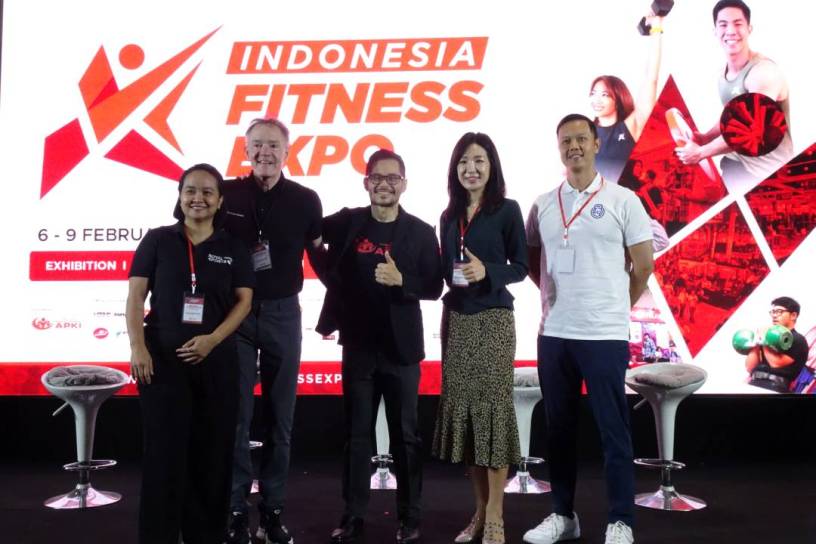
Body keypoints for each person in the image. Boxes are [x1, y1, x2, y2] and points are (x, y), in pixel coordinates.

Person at [524, 114, 654, 544]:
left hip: (603, 335)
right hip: (554, 334)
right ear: (558, 147)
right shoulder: (543, 204)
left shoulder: (623, 200)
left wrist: (615, 306)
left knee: (612, 430)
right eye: (566, 140)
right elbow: (534, 262)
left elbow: (643, 266)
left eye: (582, 138)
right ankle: (563, 515)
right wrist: (557, 298)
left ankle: (621, 520)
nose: (574, 146)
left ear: (597, 144)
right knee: (558, 430)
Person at [313, 149, 443, 544]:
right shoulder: (348, 222)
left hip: (401, 351)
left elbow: (434, 287)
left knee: (406, 437)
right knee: (356, 435)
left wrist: (402, 281)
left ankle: (410, 517)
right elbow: (307, 228)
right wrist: (328, 276)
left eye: (392, 178)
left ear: (404, 184)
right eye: (377, 177)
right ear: (366, 182)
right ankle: (353, 516)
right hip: (358, 346)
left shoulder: (420, 232)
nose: (384, 184)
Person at [126, 164, 254, 544]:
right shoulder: (157, 240)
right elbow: (135, 297)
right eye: (191, 191)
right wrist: (138, 347)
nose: (198, 198)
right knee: (164, 456)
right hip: (162, 363)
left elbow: (244, 302)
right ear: (180, 197)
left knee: (212, 456)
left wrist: (213, 339)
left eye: (207, 192)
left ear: (220, 201)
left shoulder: (233, 247)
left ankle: (206, 535)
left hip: (216, 362)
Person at [222, 118, 323, 544]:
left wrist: (346, 303)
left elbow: (320, 257)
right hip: (236, 315)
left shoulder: (305, 199)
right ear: (246, 150)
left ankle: (272, 512)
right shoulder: (226, 193)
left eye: (274, 145)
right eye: (258, 145)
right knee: (237, 417)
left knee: (281, 419)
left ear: (287, 151)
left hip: (284, 312)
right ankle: (234, 512)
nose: (266, 152)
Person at [432, 132, 528, 544]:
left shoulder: (507, 210)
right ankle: (478, 511)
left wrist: (488, 270)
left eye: (479, 161)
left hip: (493, 321)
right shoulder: (448, 216)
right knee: (469, 422)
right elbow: (444, 272)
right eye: (463, 162)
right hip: (456, 321)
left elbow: (521, 266)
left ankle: (495, 515)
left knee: (492, 417)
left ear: (492, 166)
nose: (471, 169)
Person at [675, 0, 794, 194]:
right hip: (738, 164)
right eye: (723, 24)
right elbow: (731, 114)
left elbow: (749, 130)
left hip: (769, 174)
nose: (730, 31)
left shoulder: (764, 73)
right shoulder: (723, 74)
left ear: (749, 29)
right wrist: (706, 137)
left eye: (738, 24)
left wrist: (701, 152)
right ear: (715, 31)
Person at [591, 11, 664, 184]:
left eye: (604, 95)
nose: (597, 100)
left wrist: (657, 28)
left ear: (617, 99)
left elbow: (651, 79)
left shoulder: (630, 127)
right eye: (593, 93)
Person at [745, 297, 809, 393]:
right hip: (754, 384)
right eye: (773, 312)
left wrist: (764, 339)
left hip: (776, 388)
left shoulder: (798, 340)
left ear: (793, 315)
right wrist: (757, 343)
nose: (774, 316)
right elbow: (750, 367)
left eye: (779, 312)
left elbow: (776, 364)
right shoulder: (767, 338)